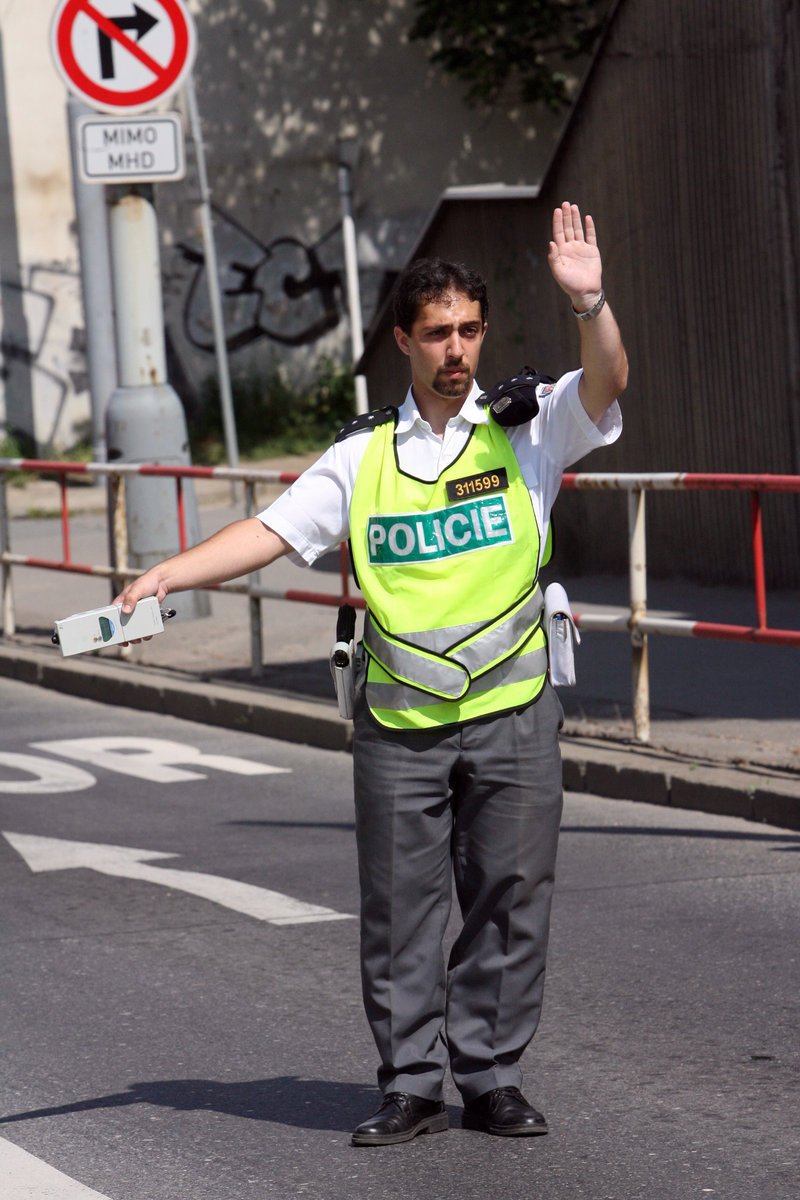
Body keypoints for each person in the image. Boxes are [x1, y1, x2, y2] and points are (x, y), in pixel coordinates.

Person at [115, 202, 627, 1146]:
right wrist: (168, 574)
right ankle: (412, 1085)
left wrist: (590, 302)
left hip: (514, 704)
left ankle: (492, 1077)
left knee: (510, 901)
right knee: (400, 911)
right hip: (399, 722)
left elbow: (607, 383)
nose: (458, 350)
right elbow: (270, 533)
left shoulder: (528, 428)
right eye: (439, 334)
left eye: (471, 329)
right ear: (404, 340)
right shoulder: (362, 454)